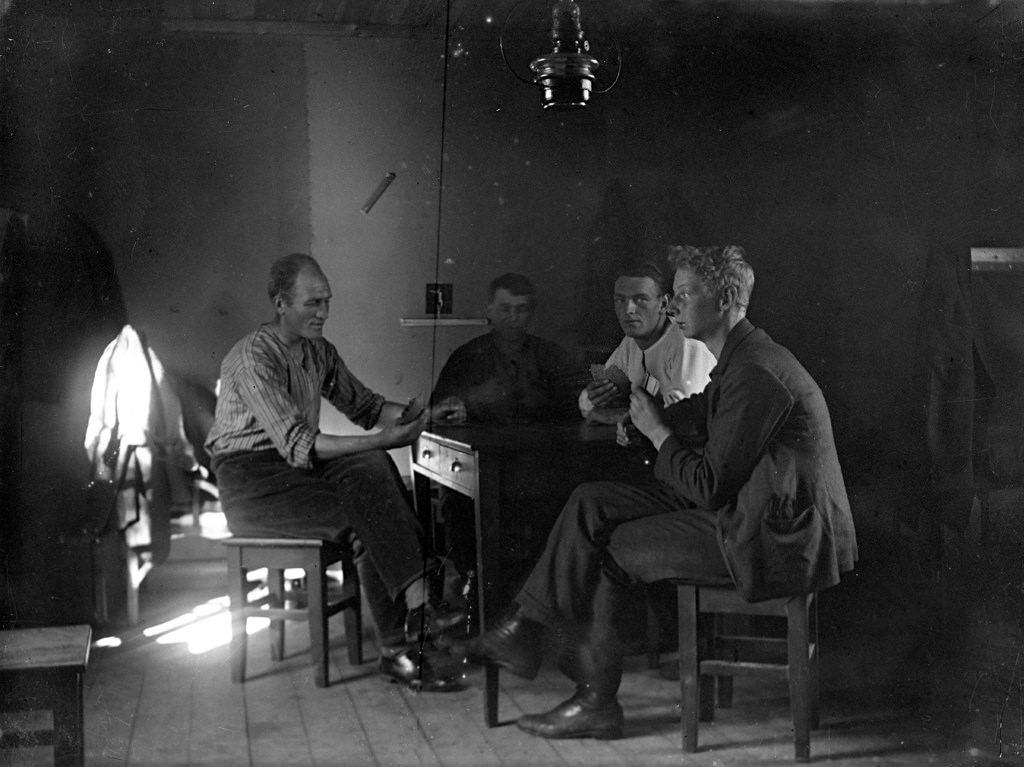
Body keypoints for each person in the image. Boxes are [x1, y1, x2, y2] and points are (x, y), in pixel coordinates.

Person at [448, 245, 858, 739]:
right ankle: (523, 630)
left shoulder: (755, 370)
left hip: (774, 534)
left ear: (726, 298)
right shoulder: (745, 356)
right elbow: (701, 413)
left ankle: (595, 700)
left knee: (608, 547)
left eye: (683, 295)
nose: (672, 306)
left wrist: (658, 432)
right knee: (590, 500)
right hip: (752, 508)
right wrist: (638, 420)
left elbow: (707, 485)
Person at [206, 253, 465, 692]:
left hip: (291, 473)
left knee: (371, 470)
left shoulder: (317, 352)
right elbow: (298, 442)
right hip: (251, 486)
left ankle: (407, 634)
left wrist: (424, 415)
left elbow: (367, 408)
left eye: (327, 301)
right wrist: (382, 440)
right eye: (312, 303)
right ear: (280, 303)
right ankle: (410, 628)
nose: (323, 313)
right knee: (369, 488)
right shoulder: (251, 358)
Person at [430, 272, 582, 424]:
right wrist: (473, 397)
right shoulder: (466, 356)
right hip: (482, 443)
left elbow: (578, 400)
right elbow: (437, 411)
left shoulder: (550, 355)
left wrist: (542, 399)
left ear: (531, 313)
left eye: (521, 309)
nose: (513, 317)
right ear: (490, 310)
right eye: (505, 309)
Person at [579, 260, 716, 424]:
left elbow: (683, 417)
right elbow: (599, 393)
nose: (628, 310)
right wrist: (592, 397)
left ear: (664, 304)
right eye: (620, 300)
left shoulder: (688, 341)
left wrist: (616, 417)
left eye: (640, 299)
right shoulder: (630, 342)